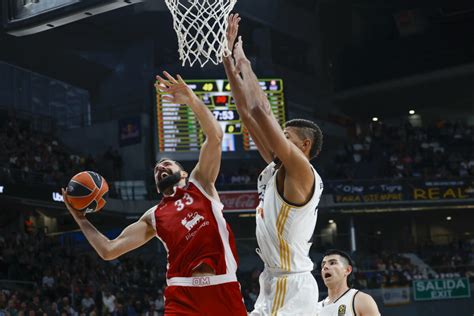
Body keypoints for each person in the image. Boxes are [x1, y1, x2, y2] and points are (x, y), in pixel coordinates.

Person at [62, 71, 247, 316]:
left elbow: (214, 136)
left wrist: (191, 99)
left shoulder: (201, 184)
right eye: (157, 168)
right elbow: (109, 250)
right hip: (182, 296)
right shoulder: (154, 215)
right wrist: (81, 219)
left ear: (183, 173)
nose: (160, 166)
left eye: (167, 164)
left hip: (222, 287)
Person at [223, 14, 324, 315]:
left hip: (291, 285)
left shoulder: (301, 169)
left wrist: (245, 64)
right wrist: (228, 61)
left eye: (286, 135)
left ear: (304, 145)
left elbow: (259, 108)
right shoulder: (280, 168)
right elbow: (245, 112)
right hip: (274, 280)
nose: (279, 136)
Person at [318, 250, 381, 316]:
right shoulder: (316, 308)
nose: (325, 267)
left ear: (348, 270)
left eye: (332, 263)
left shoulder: (361, 300)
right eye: (323, 265)